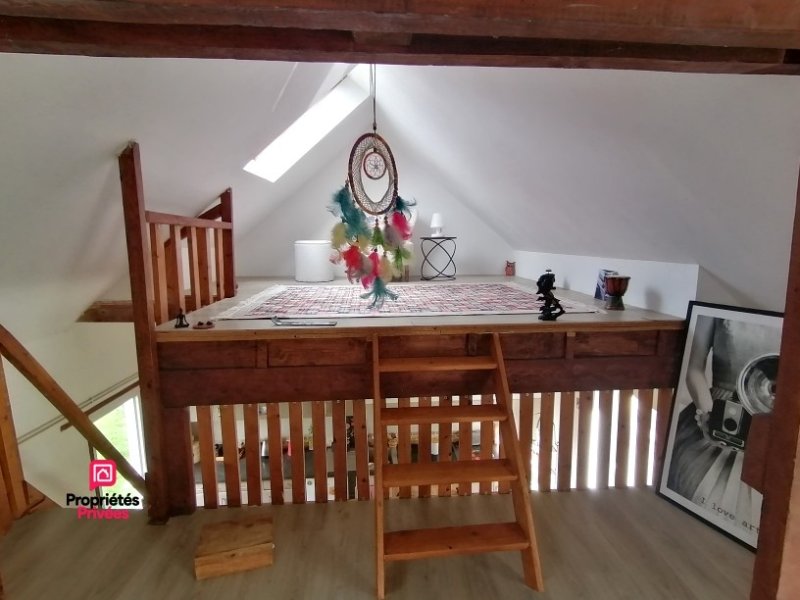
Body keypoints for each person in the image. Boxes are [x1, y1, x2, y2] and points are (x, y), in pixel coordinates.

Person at [666, 314, 780, 538]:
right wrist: (708, 415)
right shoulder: (715, 305)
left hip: (776, 420)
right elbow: (694, 368)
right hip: (717, 410)